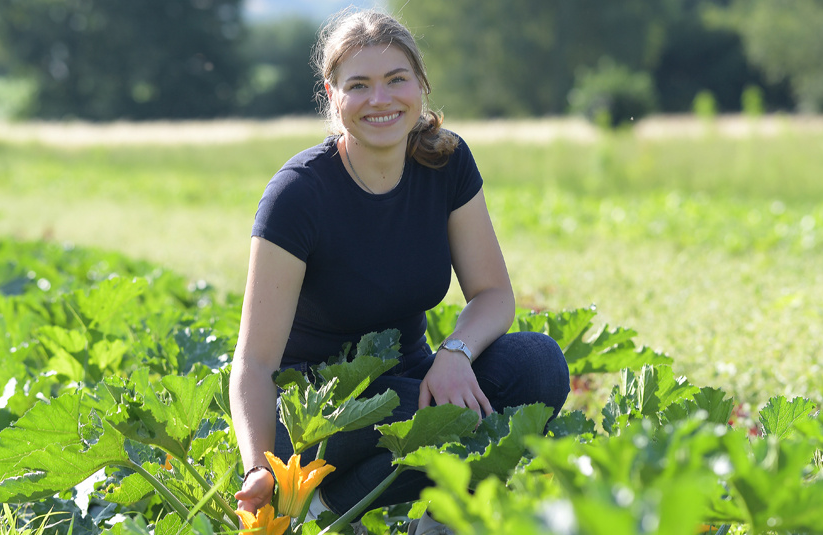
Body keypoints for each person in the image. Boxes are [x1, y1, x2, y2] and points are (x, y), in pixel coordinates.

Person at [230, 8, 570, 533]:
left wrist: (455, 354)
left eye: (396, 80)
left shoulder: (446, 162)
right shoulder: (297, 196)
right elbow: (253, 362)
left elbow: (494, 293)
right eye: (359, 85)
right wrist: (259, 467)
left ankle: (440, 523)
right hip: (317, 411)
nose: (380, 100)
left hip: (413, 380)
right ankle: (323, 505)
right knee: (454, 420)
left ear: (421, 85)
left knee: (540, 364)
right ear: (332, 94)